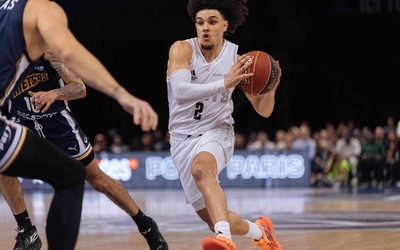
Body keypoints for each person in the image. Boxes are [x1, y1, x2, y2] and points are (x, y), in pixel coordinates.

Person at [0, 0, 158, 249]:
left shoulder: (46, 48)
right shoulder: (23, 24)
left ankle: (145, 223)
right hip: (23, 122)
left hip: (57, 123)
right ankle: (27, 230)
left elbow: (80, 87)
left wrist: (53, 94)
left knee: (97, 181)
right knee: (4, 168)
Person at [165, 0, 283, 249]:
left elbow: (263, 111)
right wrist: (225, 83)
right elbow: (180, 91)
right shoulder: (181, 50)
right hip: (181, 140)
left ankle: (224, 240)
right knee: (214, 218)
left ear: (225, 25)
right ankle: (260, 232)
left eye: (212, 21)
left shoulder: (237, 60)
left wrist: (269, 91)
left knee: (201, 168)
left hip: (217, 131)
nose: (204, 27)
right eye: (200, 23)